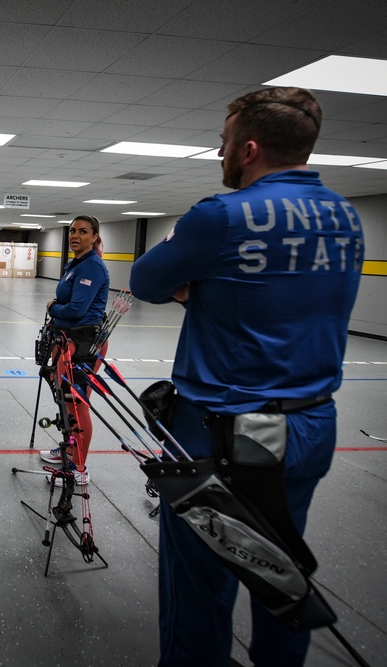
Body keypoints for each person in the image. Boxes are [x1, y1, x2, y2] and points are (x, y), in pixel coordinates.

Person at [130, 87, 364, 667]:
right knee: (282, 573)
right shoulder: (346, 217)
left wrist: (201, 291)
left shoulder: (221, 216)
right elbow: (284, 299)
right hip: (311, 426)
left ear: (251, 148)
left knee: (200, 584)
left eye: (225, 142)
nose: (220, 152)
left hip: (223, 433)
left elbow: (144, 282)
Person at [39, 215, 110, 486]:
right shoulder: (76, 263)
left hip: (84, 344)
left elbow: (77, 309)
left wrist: (52, 308)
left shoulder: (92, 266)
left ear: (94, 237)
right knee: (64, 399)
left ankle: (79, 467)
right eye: (72, 231)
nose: (75, 235)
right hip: (66, 340)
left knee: (76, 403)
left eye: (83, 231)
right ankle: (68, 449)